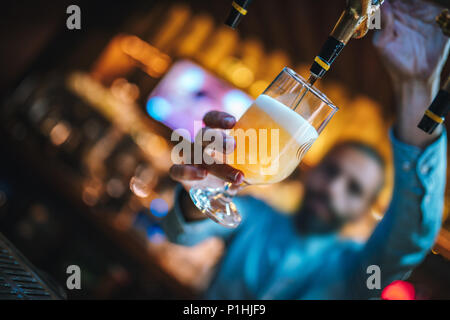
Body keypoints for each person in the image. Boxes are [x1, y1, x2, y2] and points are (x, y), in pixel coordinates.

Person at [162, 0, 449, 299]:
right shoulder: (257, 217)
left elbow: (410, 239)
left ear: (365, 209)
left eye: (354, 189)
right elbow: (178, 232)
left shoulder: (363, 271)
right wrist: (204, 186)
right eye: (331, 170)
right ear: (308, 168)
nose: (333, 187)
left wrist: (416, 88)